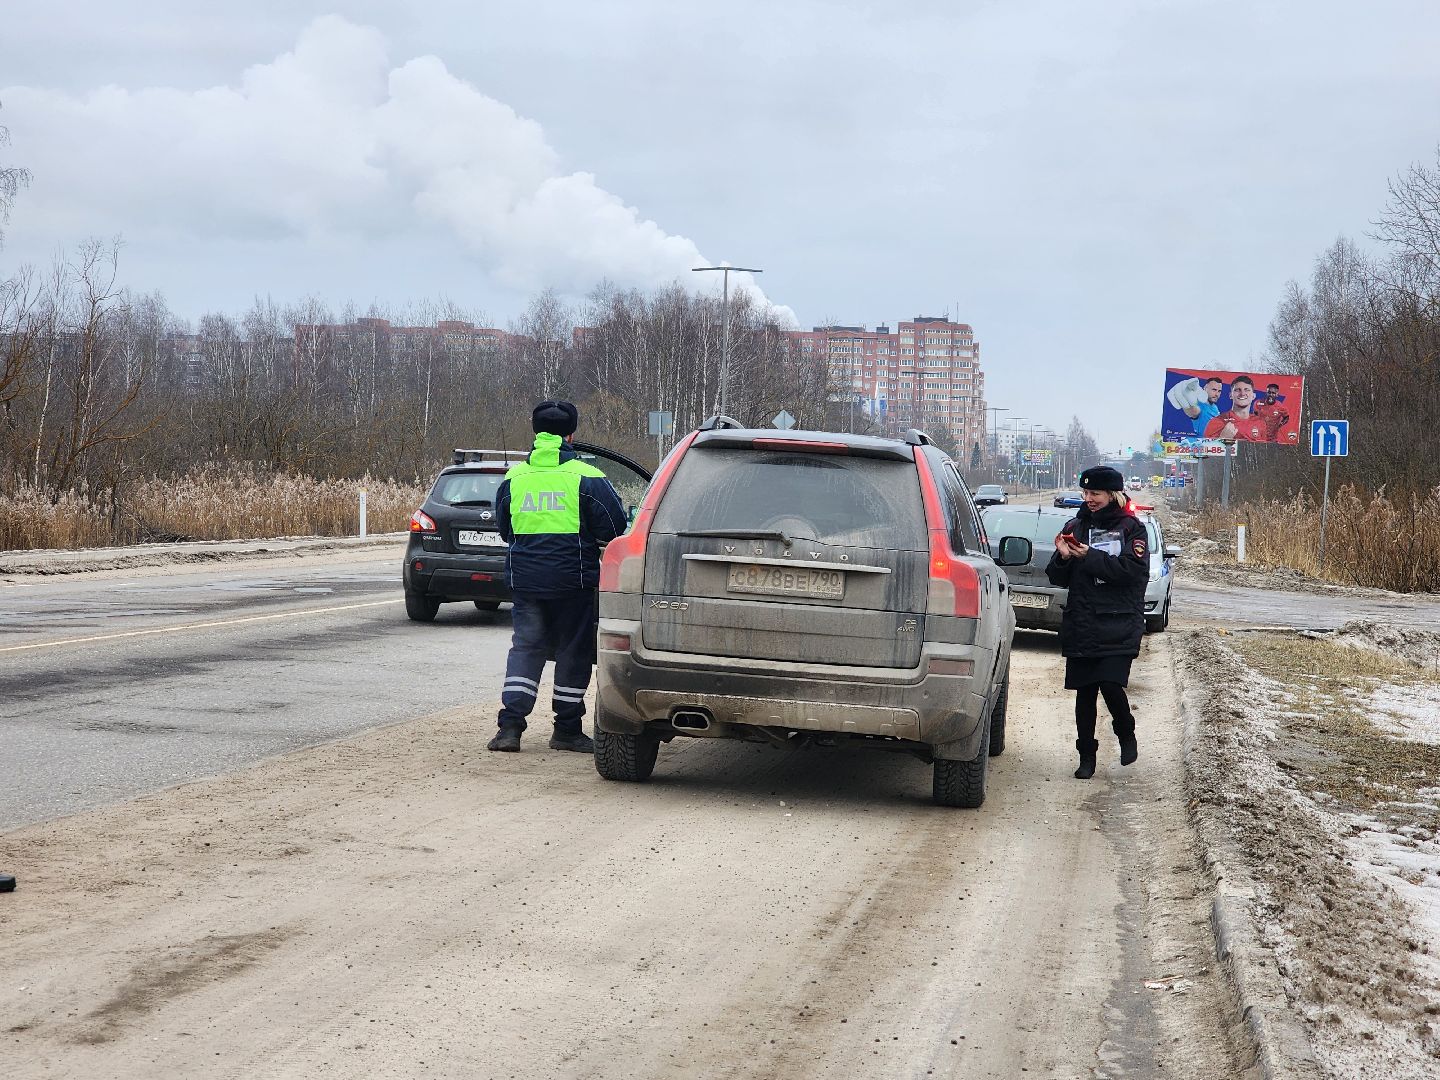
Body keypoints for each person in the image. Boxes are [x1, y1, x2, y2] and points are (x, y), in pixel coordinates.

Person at [487, 400, 627, 753]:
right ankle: (566, 730)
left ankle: (510, 729)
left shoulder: (514, 478)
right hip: (573, 581)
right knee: (573, 651)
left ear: (535, 432)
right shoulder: (587, 477)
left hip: (526, 583)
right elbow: (614, 528)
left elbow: (506, 530)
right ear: (571, 434)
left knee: (526, 648)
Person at [1045, 465, 1149, 779]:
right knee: (1085, 691)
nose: (1089, 499)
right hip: (1082, 622)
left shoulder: (1132, 528)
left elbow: (1131, 572)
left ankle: (1125, 731)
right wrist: (1063, 557)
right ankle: (1086, 757)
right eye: (1086, 493)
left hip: (1118, 622)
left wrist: (1088, 556)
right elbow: (1056, 577)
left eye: (1096, 494)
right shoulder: (1075, 526)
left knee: (1110, 683)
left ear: (1112, 494)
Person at [1203, 375, 1270, 442]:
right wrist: (1222, 439)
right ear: (1230, 395)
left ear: (1253, 396)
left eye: (1247, 390)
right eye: (1238, 390)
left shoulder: (1260, 423)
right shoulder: (1216, 422)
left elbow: (1263, 451)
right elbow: (1204, 450)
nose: (1242, 393)